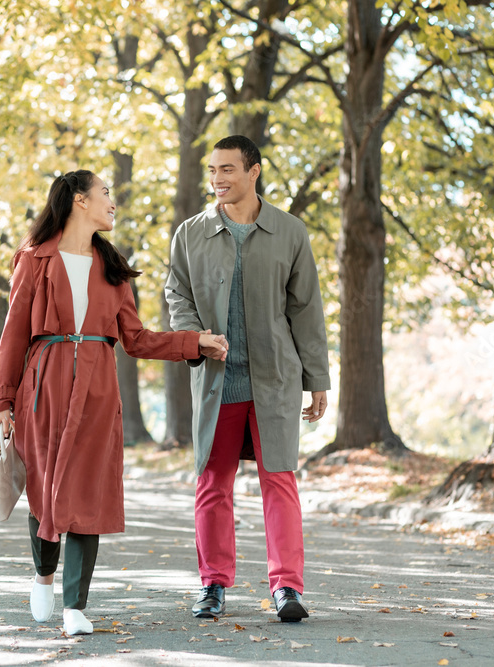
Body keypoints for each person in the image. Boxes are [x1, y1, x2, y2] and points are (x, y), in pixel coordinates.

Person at [0, 170, 228, 636]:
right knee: (43, 487)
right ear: (80, 200)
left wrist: (193, 342)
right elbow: (14, 330)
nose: (112, 202)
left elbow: (136, 340)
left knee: (86, 492)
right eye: (106, 194)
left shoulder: (113, 266)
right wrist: (3, 398)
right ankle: (43, 576)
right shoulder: (34, 258)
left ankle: (75, 606)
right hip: (43, 384)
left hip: (98, 389)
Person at [165, 135, 330, 622]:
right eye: (213, 170)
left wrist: (316, 378)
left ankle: (287, 589)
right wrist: (195, 338)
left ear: (254, 171)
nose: (217, 179)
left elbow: (306, 310)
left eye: (228, 170)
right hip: (217, 379)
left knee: (279, 479)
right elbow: (177, 294)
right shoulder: (190, 233)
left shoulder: (290, 232)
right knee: (213, 482)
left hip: (274, 380)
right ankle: (213, 585)